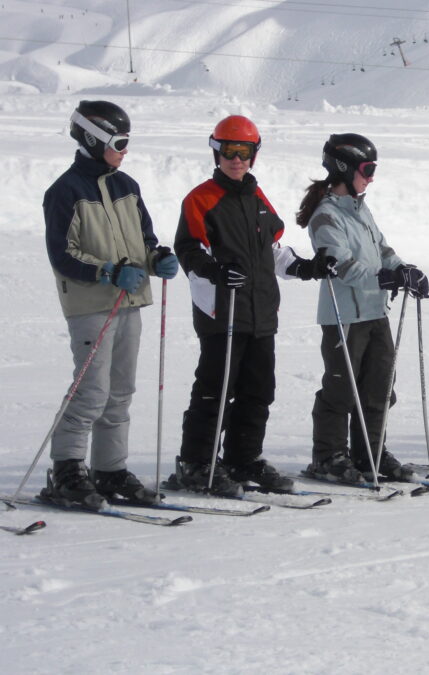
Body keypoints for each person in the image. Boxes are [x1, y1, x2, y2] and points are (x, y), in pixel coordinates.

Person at [170, 115, 336, 496]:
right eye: (229, 150)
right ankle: (197, 463)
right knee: (215, 389)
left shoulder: (258, 199)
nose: (236, 159)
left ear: (253, 154)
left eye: (244, 151)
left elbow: (274, 251)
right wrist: (215, 271)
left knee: (258, 391)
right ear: (216, 152)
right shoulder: (200, 199)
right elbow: (190, 251)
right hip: (222, 313)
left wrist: (309, 267)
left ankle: (243, 458)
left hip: (261, 314)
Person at [41, 100, 178, 509]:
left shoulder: (127, 186)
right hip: (90, 306)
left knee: (120, 392)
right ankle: (66, 468)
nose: (125, 150)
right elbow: (61, 255)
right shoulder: (64, 192)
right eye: (119, 142)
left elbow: (146, 240)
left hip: (129, 302)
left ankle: (110, 469)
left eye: (128, 142)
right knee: (91, 391)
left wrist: (157, 260)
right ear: (91, 138)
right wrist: (107, 272)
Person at [297, 133, 429, 483]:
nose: (372, 177)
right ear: (344, 168)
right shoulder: (325, 217)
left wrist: (405, 270)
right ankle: (329, 456)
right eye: (367, 169)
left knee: (380, 388)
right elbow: (343, 267)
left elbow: (383, 249)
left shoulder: (360, 208)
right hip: (344, 318)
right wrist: (386, 278)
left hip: (374, 313)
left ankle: (370, 452)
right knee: (342, 389)